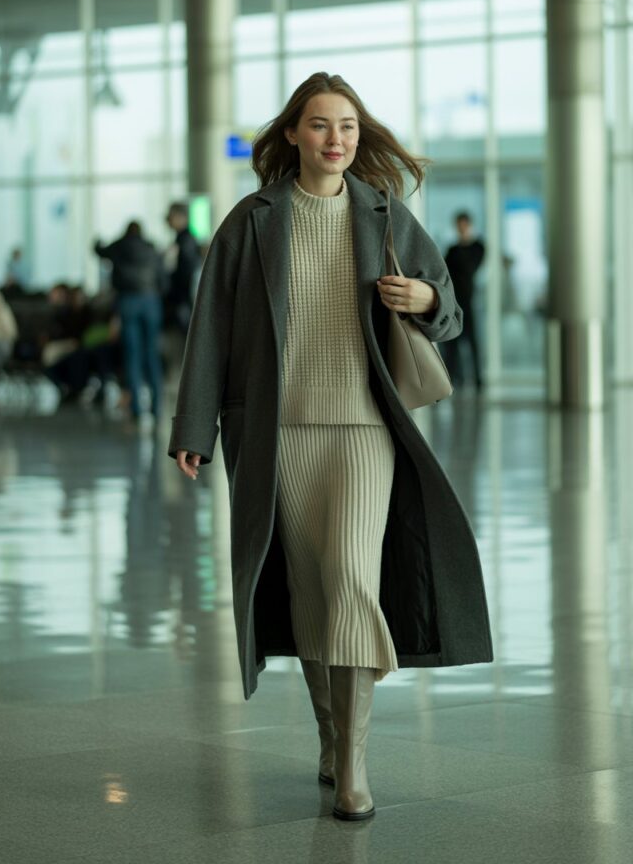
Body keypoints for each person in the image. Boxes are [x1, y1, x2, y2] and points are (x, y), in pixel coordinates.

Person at [168, 72, 493, 822]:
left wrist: (428, 299)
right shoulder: (251, 222)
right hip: (276, 433)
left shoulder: (385, 215)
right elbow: (210, 328)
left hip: (364, 429)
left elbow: (449, 310)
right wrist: (194, 428)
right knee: (310, 590)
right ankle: (330, 733)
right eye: (320, 125)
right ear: (293, 134)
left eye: (347, 125)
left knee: (350, 578)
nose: (336, 138)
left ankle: (353, 765)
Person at [94, 222, 164, 423]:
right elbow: (163, 279)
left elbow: (100, 251)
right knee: (152, 353)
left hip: (128, 302)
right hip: (151, 302)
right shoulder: (151, 248)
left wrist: (97, 241)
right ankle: (156, 406)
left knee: (132, 354)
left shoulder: (119, 246)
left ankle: (136, 408)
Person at [443, 211, 486, 390]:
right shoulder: (452, 250)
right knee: (452, 342)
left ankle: (477, 379)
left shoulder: (478, 247)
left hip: (469, 301)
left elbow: (470, 268)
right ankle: (453, 377)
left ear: (468, 225)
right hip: (455, 301)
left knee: (473, 342)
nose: (461, 228)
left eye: (464, 224)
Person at [164, 202, 201, 335]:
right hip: (184, 296)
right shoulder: (184, 239)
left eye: (171, 217)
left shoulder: (185, 241)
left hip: (184, 297)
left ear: (182, 217)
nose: (168, 221)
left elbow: (187, 271)